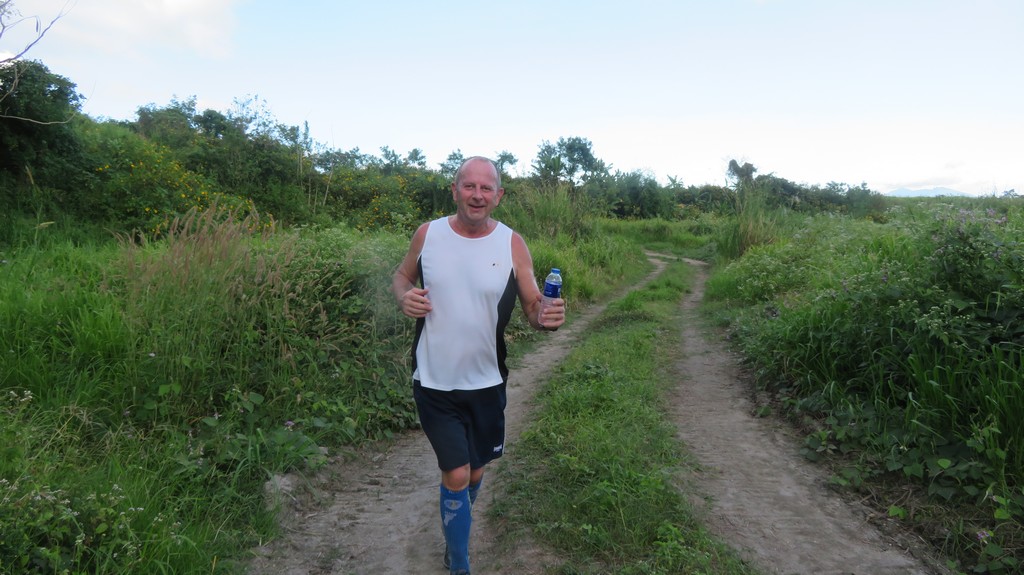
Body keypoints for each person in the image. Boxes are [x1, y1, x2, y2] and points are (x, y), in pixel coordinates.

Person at [392, 156, 566, 575]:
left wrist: (546, 316)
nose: (477, 195)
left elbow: (532, 306)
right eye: (468, 186)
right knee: (456, 473)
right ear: (454, 190)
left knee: (474, 474)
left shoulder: (512, 243)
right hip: (434, 380)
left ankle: (456, 535)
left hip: (487, 380)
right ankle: (460, 563)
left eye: (486, 188)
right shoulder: (428, 234)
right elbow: (401, 276)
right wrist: (403, 296)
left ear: (498, 196)